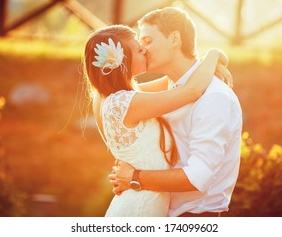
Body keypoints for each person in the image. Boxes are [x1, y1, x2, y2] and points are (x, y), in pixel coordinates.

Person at [83, 24, 231, 216]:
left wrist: (201, 64)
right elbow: (191, 90)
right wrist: (213, 54)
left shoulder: (106, 97)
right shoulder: (126, 102)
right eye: (138, 48)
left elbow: (174, 82)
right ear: (123, 61)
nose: (144, 50)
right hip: (142, 207)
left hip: (136, 201)